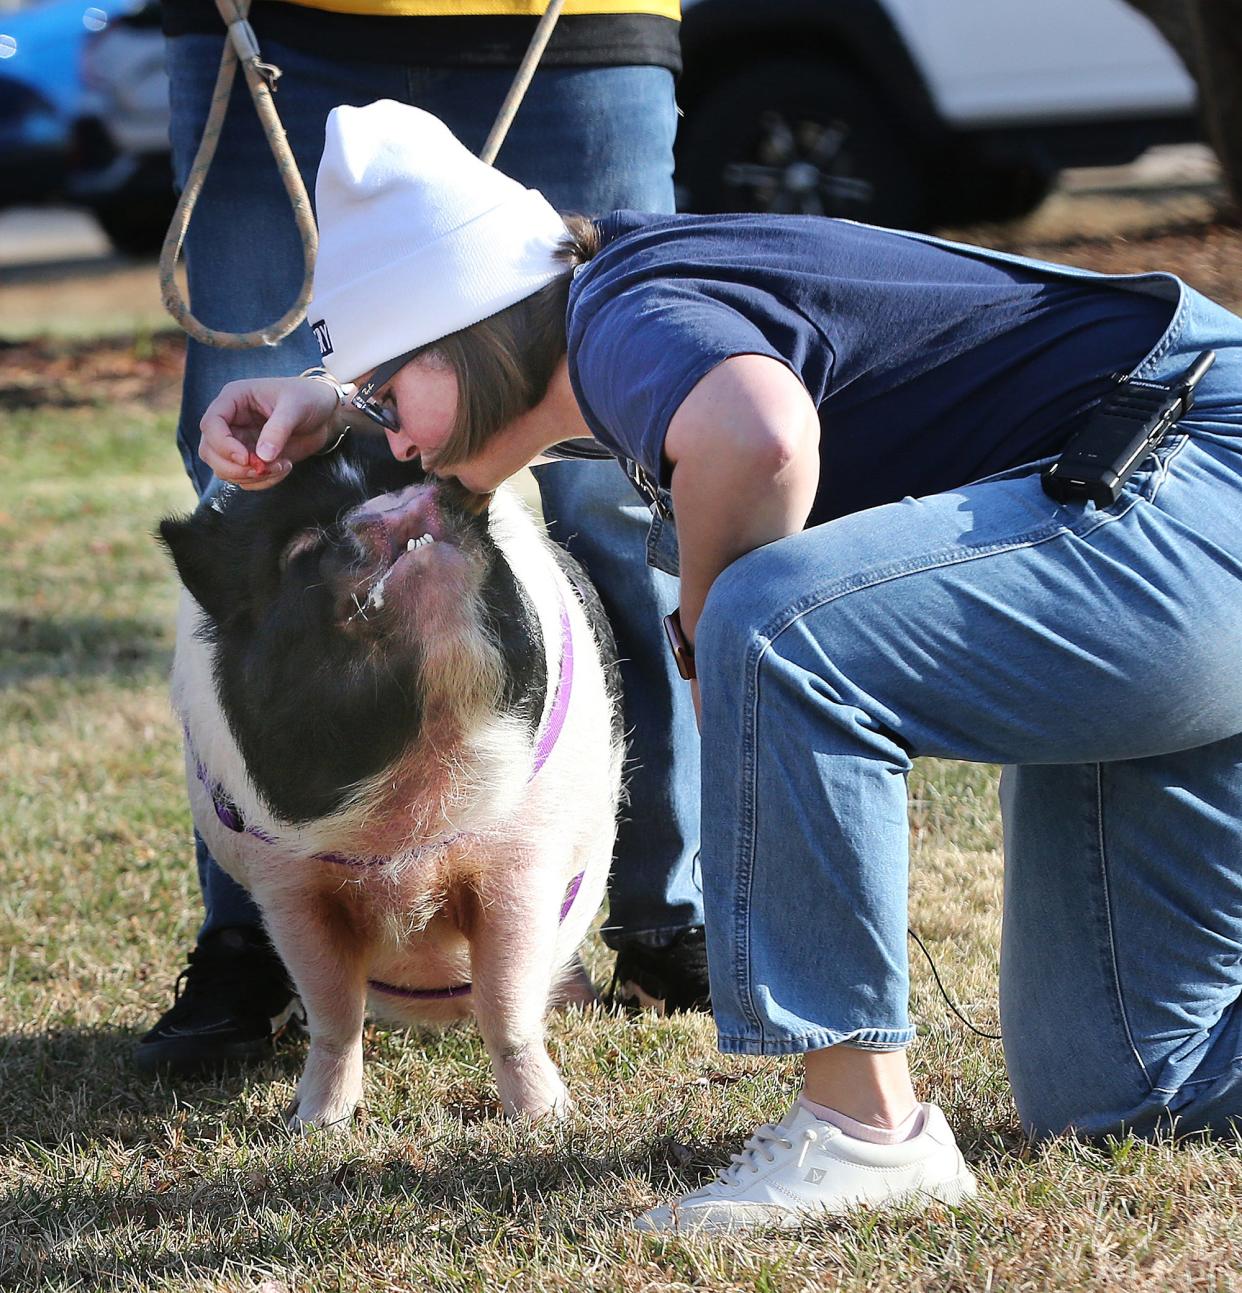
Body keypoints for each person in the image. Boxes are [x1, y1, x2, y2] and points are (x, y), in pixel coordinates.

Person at [200, 101, 1242, 1231]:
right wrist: (338, 397)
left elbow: (761, 435)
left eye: (390, 400)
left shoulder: (621, 317)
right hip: (1145, 506)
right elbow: (513, 355)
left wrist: (715, 643)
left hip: (1191, 479)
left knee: (768, 620)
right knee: (1133, 1091)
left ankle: (862, 1133)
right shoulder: (603, 299)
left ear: (466, 334)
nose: (393, 443)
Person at [139, 0, 709, 1076]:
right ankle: (256, 929)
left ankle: (660, 918)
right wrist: (338, 394)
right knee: (249, 485)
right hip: (266, 32)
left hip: (574, 26)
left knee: (629, 477)